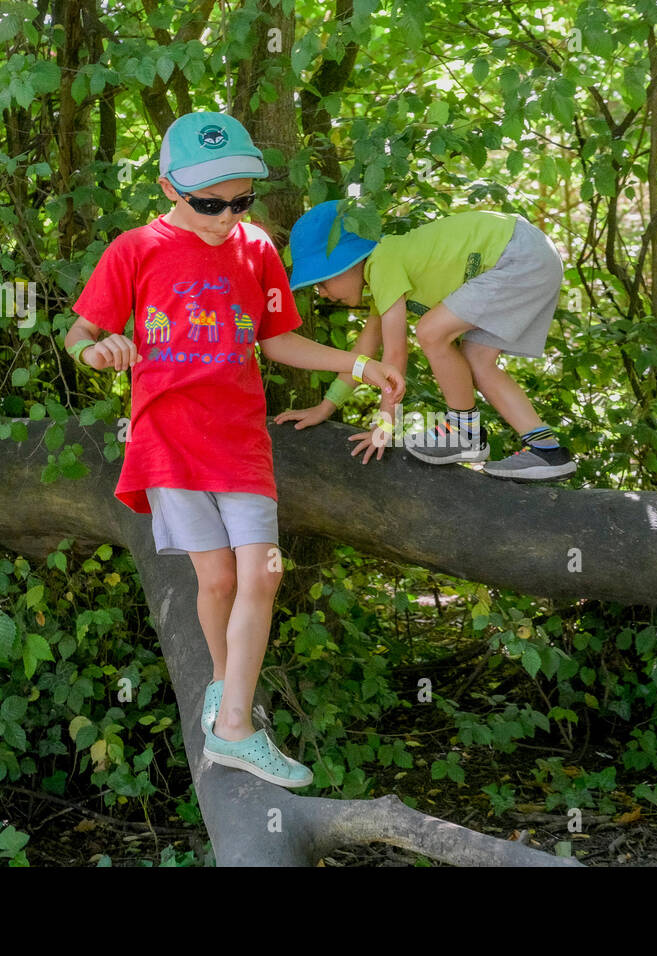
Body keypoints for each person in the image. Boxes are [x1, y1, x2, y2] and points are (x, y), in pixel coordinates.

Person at [63, 113, 404, 788]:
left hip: (241, 441)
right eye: (208, 203)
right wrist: (96, 351)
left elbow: (278, 342)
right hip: (169, 439)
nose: (226, 215)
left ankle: (234, 724)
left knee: (265, 574)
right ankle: (231, 704)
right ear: (169, 188)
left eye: (240, 200)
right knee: (215, 580)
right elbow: (77, 336)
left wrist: (360, 368)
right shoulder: (135, 250)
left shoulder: (257, 252)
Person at [275, 200, 576, 481]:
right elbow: (364, 353)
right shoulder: (383, 276)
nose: (323, 293)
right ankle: (547, 451)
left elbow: (395, 356)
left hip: (516, 253)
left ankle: (463, 433)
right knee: (477, 360)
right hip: (530, 253)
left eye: (321, 282)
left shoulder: (382, 262)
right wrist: (325, 408)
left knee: (431, 331)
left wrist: (384, 426)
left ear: (344, 262)